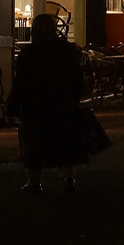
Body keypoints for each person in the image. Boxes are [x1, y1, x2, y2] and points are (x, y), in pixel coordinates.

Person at [8, 14, 88, 192]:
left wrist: (12, 107)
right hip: (63, 104)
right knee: (64, 143)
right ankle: (68, 177)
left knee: (35, 144)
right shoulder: (67, 51)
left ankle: (34, 181)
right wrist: (75, 98)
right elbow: (77, 78)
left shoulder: (28, 54)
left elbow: (20, 82)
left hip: (36, 106)